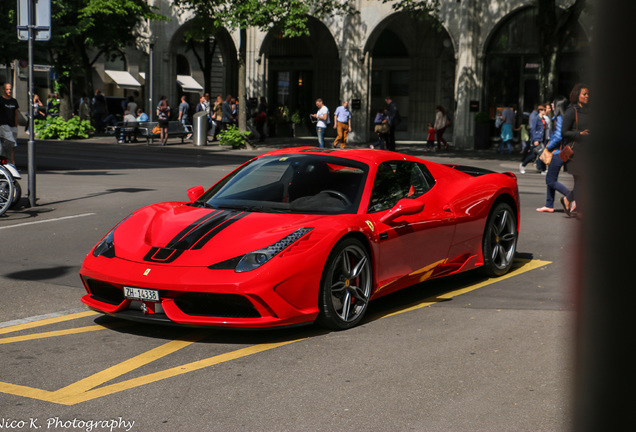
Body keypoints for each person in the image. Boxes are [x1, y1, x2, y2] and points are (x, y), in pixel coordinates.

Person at [536, 96, 571, 213]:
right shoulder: (563, 117)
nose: (551, 104)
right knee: (551, 178)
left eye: (553, 103)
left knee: (550, 180)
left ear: (558, 105)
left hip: (557, 152)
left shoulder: (559, 118)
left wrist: (547, 147)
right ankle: (549, 204)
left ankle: (570, 196)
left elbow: (558, 136)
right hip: (560, 152)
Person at [560, 83, 590, 216]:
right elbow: (564, 132)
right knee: (580, 180)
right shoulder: (572, 111)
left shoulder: (589, 110)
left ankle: (567, 199)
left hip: (587, 152)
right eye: (584, 94)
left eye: (588, 94)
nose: (587, 96)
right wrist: (580, 134)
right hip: (575, 153)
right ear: (577, 95)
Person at [519, 104, 545, 174]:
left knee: (539, 154)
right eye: (544, 110)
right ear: (540, 111)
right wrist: (535, 139)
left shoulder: (543, 119)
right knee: (535, 155)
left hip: (540, 139)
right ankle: (523, 164)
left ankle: (543, 169)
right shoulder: (536, 119)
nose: (545, 112)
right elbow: (533, 130)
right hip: (537, 139)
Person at [0, 82, 19, 165]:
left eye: (10, 89)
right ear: (4, 90)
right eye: (7, 89)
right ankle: (9, 163)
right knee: (10, 142)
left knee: (13, 146)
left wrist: (16, 126)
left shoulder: (14, 101)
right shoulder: (0, 100)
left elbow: (16, 114)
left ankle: (11, 161)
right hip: (3, 125)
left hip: (12, 126)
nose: (9, 91)